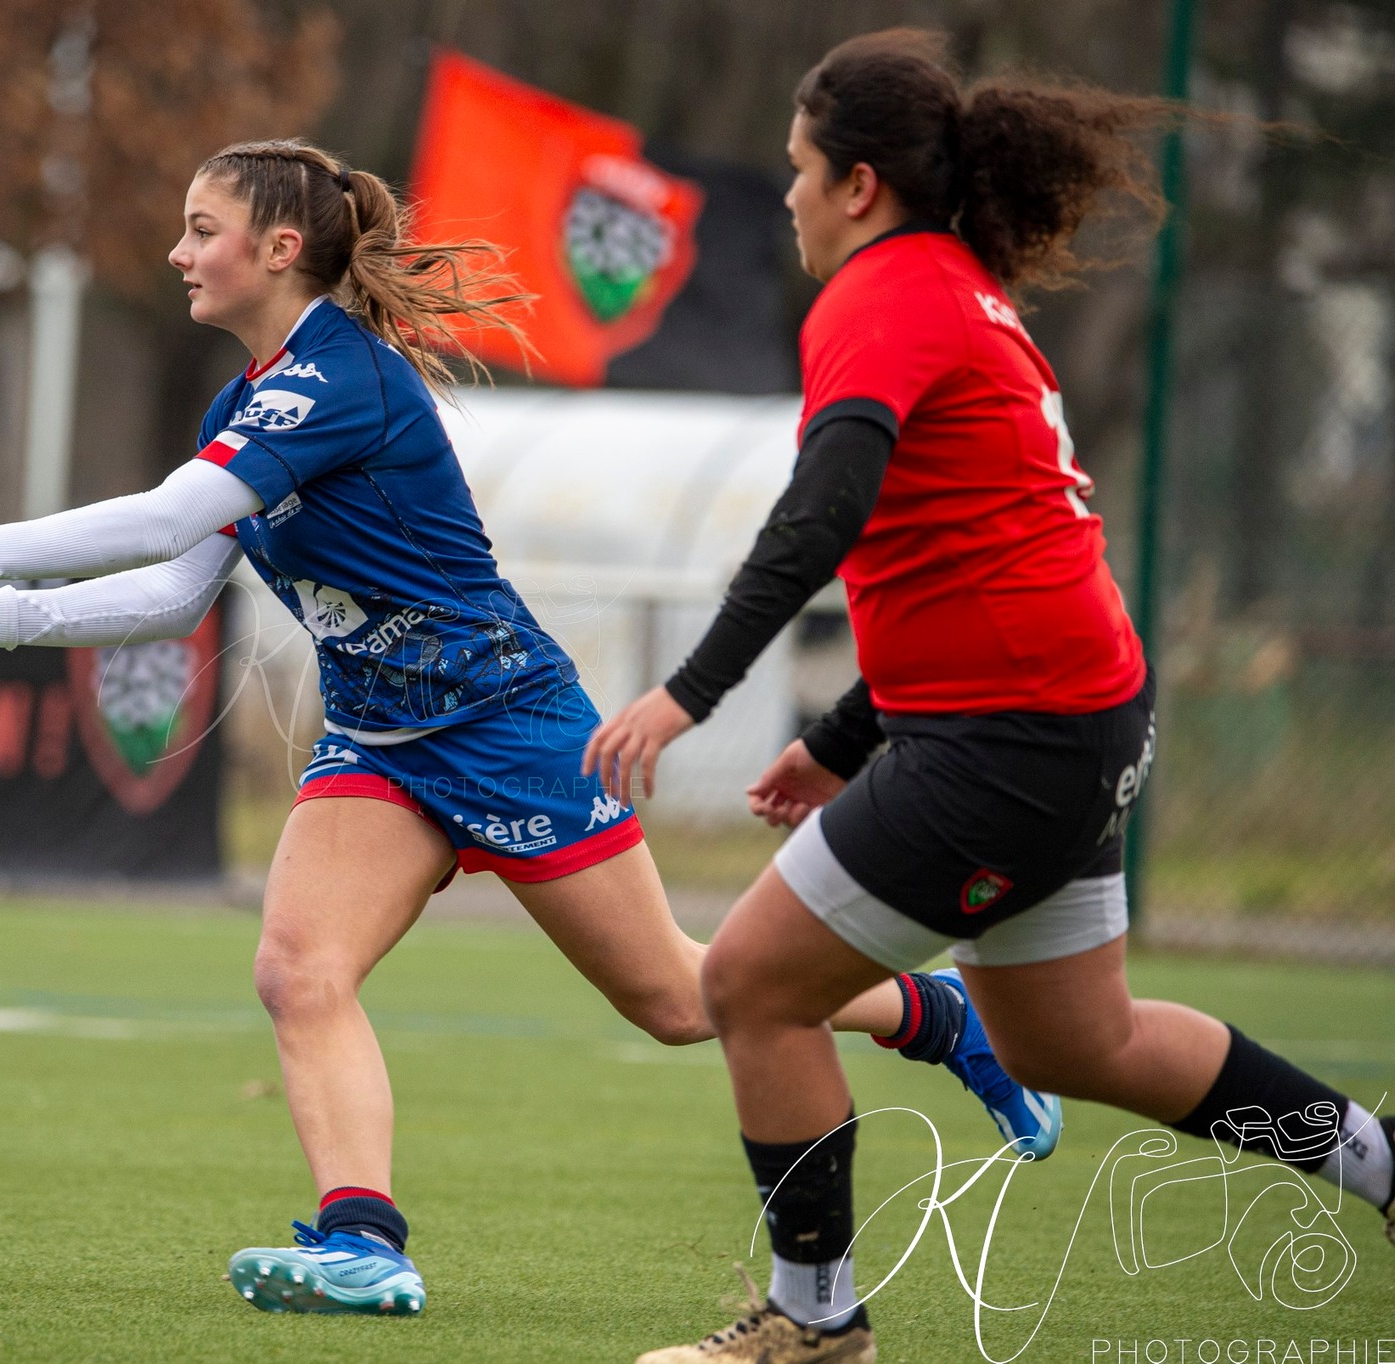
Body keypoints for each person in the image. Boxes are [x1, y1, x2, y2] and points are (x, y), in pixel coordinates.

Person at [0, 138, 1060, 1320]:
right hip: (380, 742)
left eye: (200, 230)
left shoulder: (338, 376)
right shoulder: (252, 395)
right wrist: (0, 615)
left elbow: (172, 519)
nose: (177, 252)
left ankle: (938, 1014)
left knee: (685, 1000)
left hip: (508, 724)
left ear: (279, 249)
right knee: (296, 969)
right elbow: (178, 588)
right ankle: (365, 1242)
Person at [591, 33, 1395, 1364]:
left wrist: (687, 694)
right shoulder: (958, 288)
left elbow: (828, 512)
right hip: (1078, 718)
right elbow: (961, 556)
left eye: (797, 170)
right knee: (1080, 1038)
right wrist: (840, 736)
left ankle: (812, 1322)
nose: (784, 196)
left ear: (858, 185)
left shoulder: (876, 296)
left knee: (749, 987)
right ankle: (1379, 1161)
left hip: (1010, 744)